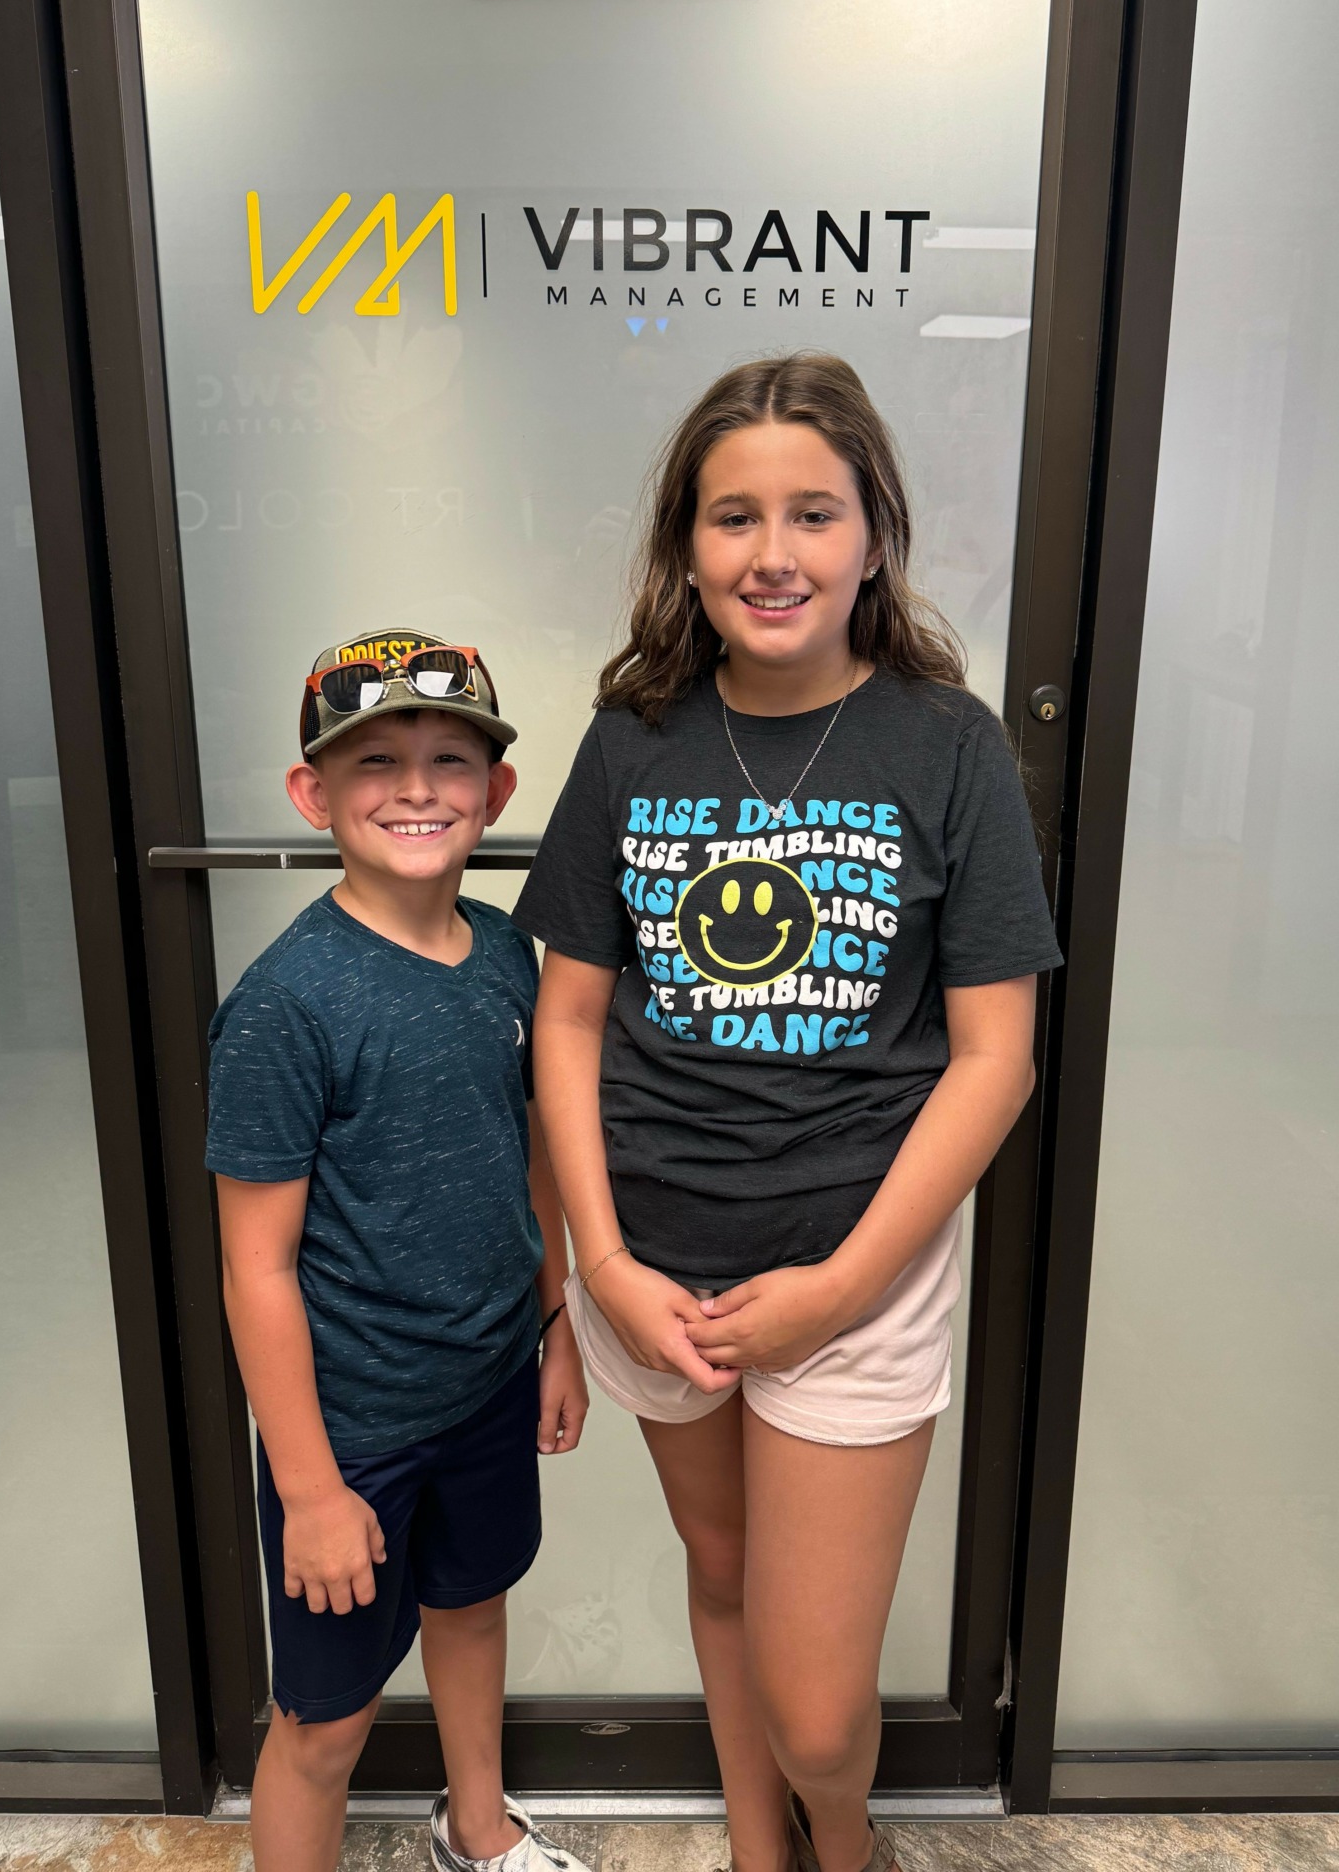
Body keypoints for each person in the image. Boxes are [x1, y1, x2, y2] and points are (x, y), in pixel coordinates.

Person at [514, 358, 1062, 1872]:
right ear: (686, 548)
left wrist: (838, 1287)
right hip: (653, 1268)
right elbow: (566, 1019)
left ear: (873, 536)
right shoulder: (632, 739)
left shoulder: (947, 744)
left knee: (820, 1712)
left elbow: (996, 1058)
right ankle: (762, 1852)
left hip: (851, 1276)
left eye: (813, 513)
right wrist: (601, 1269)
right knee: (724, 1571)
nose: (774, 553)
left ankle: (841, 1835)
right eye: (734, 516)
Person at [206, 629, 591, 1872]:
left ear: (497, 790)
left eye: (449, 758)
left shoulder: (508, 952)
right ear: (312, 793)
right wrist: (313, 1489)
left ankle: (478, 1828)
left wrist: (555, 1323)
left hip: (490, 1383)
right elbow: (255, 1265)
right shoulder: (285, 1003)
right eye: (374, 760)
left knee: (471, 1607)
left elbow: (531, 1156)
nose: (416, 787)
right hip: (352, 1432)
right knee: (326, 1720)